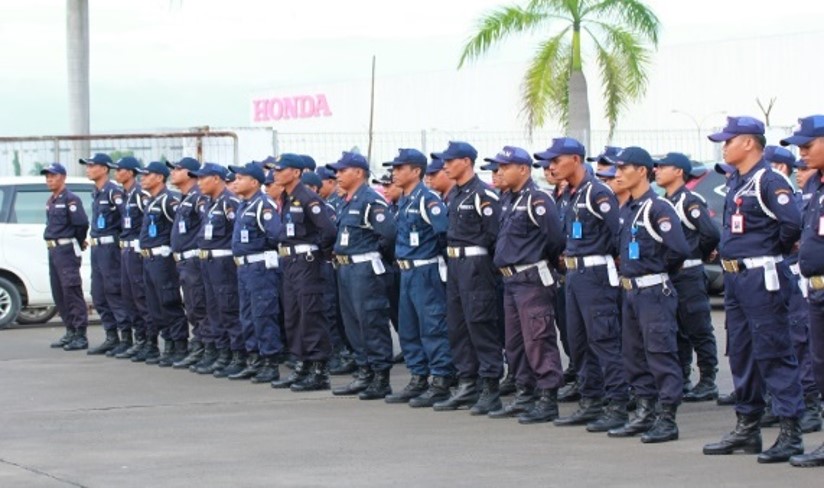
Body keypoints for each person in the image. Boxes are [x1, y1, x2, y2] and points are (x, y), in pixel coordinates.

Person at [702, 116, 805, 463]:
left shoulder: (768, 180)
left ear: (748, 143)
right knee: (742, 352)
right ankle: (747, 427)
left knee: (774, 352)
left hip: (762, 277)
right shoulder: (736, 181)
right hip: (736, 280)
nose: (723, 146)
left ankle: (791, 431)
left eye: (728, 141)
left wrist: (769, 251)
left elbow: (792, 223)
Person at [534, 138, 628, 433]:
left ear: (575, 159)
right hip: (574, 276)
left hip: (595, 275)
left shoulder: (597, 192)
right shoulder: (572, 194)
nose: (551, 166)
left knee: (603, 340)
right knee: (578, 342)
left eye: (556, 160)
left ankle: (617, 404)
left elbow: (619, 233)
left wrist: (611, 261)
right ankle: (591, 401)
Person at [607, 147, 690, 444]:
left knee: (660, 352)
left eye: (623, 168)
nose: (617, 174)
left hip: (654, 290)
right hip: (630, 291)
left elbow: (679, 249)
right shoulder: (628, 209)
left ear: (642, 171)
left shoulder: (657, 208)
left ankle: (667, 418)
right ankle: (644, 411)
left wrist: (657, 272)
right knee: (634, 354)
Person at [489, 146, 565, 424]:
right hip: (510, 279)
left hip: (532, 277)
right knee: (515, 341)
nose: (499, 172)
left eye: (504, 167)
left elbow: (555, 239)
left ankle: (547, 397)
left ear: (523, 169)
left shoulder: (538, 200)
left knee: (538, 337)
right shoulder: (508, 199)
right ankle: (525, 392)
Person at [432, 141, 503, 415]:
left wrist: (487, 269)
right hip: (456, 264)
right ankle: (467, 382)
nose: (445, 166)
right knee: (458, 326)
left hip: (476, 265)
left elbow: (495, 235)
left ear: (466, 161)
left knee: (480, 324)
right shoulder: (456, 195)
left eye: (450, 161)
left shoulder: (482, 195)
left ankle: (490, 387)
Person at [383, 148, 456, 407]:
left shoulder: (428, 200)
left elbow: (444, 234)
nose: (395, 172)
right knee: (409, 327)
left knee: (432, 326)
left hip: (426, 270)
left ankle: (441, 379)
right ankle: (418, 377)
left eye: (400, 168)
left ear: (416, 171)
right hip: (407, 270)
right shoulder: (404, 200)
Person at [762, 145, 822, 433]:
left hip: (805, 277)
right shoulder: (807, 196)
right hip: (799, 278)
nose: (802, 173)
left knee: (803, 342)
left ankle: (811, 405)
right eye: (798, 168)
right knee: (792, 341)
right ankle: (788, 401)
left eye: (805, 167)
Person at [328, 152, 397, 400]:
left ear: (358, 172)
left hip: (365, 269)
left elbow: (388, 234)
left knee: (371, 321)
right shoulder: (347, 201)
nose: (337, 174)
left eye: (342, 170)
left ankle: (380, 376)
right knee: (352, 323)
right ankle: (364, 371)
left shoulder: (370, 200)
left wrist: (373, 256)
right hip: (346, 268)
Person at [654, 152, 721, 402]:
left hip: (689, 274)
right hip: (670, 275)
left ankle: (707, 380)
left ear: (679, 172)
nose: (657, 170)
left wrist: (695, 255)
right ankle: (682, 378)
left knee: (698, 327)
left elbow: (710, 234)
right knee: (677, 329)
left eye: (663, 166)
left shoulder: (689, 201)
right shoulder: (663, 201)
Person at [269, 154, 338, 391]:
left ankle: (319, 370)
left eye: (281, 170)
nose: (276, 173)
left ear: (296, 172)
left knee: (311, 315)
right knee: (293, 315)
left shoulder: (308, 198)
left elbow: (328, 230)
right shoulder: (287, 197)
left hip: (307, 263)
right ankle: (302, 365)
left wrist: (320, 254)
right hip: (290, 263)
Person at [782, 115, 824, 467]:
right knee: (820, 364)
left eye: (808, 146)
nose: (802, 154)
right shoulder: (815, 189)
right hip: (816, 289)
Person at [226, 162, 285, 383]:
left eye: (240, 178)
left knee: (263, 314)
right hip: (244, 267)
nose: (235, 182)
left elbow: (276, 235)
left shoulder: (263, 205)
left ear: (254, 182)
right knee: (248, 315)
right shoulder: (244, 205)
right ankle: (255, 359)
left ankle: (270, 362)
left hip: (260, 268)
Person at [189, 163, 244, 377]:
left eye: (203, 178)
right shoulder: (210, 203)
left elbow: (237, 233)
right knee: (214, 310)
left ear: (216, 179)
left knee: (228, 308)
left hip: (224, 264)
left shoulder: (229, 202)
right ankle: (222, 353)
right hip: (208, 262)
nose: (199, 182)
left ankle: (237, 354)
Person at [135, 162, 189, 367]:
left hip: (163, 259)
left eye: (147, 175)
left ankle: (179, 344)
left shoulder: (169, 200)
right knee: (155, 304)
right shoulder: (152, 201)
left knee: (168, 301)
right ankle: (168, 342)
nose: (143, 178)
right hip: (149, 258)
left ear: (159, 178)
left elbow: (180, 227)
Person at [79, 153, 130, 355]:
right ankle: (111, 336)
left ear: (104, 169)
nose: (88, 169)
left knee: (113, 291)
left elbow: (126, 217)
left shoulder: (113, 192)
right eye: (87, 166)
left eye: (92, 166)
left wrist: (120, 242)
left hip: (110, 249)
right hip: (97, 248)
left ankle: (126, 337)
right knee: (98, 294)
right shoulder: (96, 192)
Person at [166, 158, 210, 370]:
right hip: (183, 260)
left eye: (178, 169)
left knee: (198, 305)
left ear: (190, 173)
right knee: (192, 306)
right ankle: (200, 344)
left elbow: (205, 225)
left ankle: (204, 346)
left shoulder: (198, 198)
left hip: (193, 259)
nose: (173, 172)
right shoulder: (184, 198)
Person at [43, 163, 90, 351]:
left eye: (53, 176)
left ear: (63, 177)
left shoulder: (71, 199)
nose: (49, 179)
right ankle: (70, 330)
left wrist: (78, 242)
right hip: (53, 250)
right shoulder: (51, 200)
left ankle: (80, 333)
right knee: (59, 292)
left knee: (71, 290)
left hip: (66, 250)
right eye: (47, 176)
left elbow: (81, 224)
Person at [111, 157, 150, 359]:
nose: (116, 173)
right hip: (125, 250)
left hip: (136, 251)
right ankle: (139, 339)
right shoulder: (125, 195)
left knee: (140, 296)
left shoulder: (140, 195)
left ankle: (148, 342)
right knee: (128, 297)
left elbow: (147, 222)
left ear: (130, 172)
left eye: (120, 169)